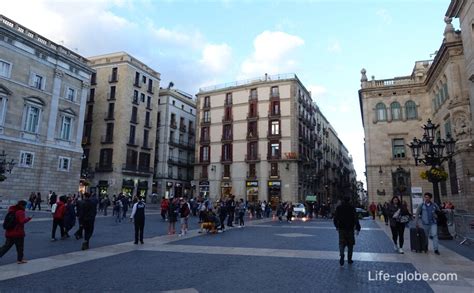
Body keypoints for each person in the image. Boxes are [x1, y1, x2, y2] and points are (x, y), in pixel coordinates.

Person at [333, 196, 361, 266]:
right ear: (349, 200)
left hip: (341, 228)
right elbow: (355, 218)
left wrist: (336, 226)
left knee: (341, 243)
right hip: (350, 228)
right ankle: (349, 259)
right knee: (350, 244)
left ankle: (342, 254)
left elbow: (335, 218)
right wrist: (358, 227)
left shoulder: (339, 208)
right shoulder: (352, 208)